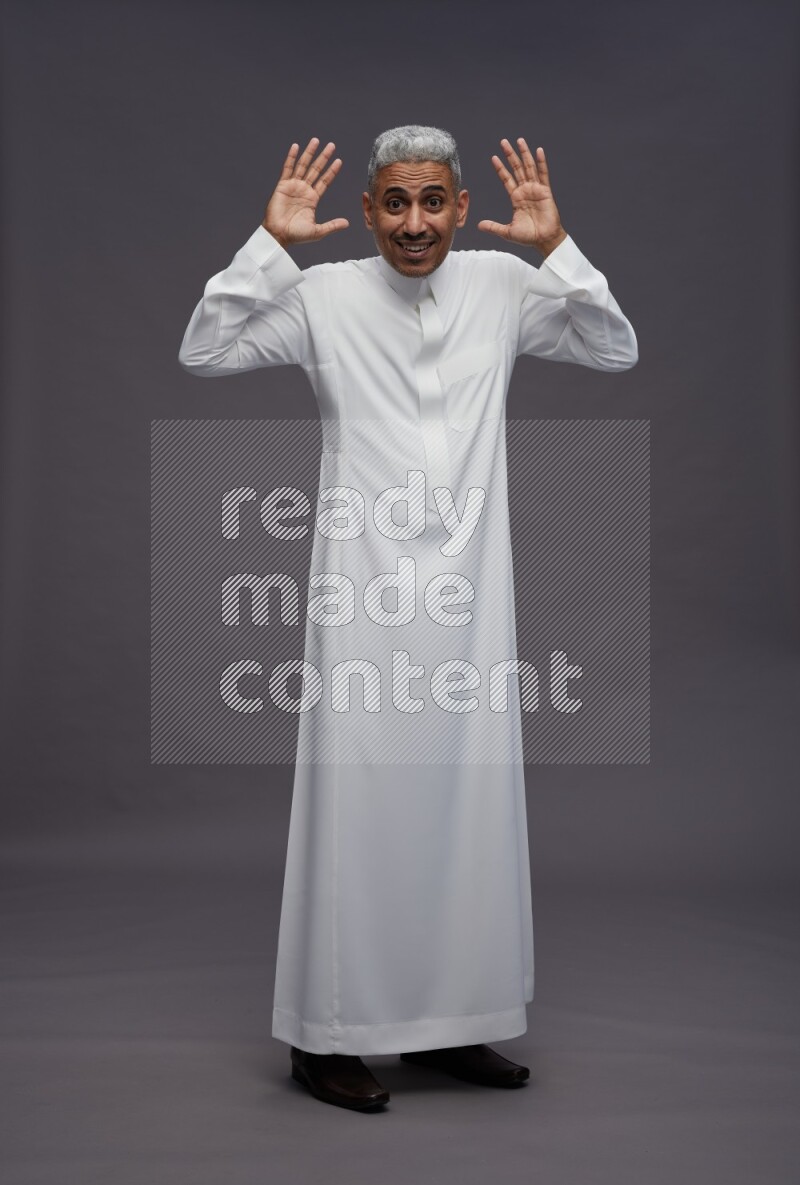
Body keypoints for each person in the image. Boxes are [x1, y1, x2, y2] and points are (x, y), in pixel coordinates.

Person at [178, 125, 638, 1112]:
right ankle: (325, 1038)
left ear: (461, 208)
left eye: (432, 202)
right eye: (395, 202)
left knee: (463, 811)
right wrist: (271, 244)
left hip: (470, 602)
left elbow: (612, 346)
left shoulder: (499, 286)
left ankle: (448, 1027)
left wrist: (552, 248)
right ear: (375, 208)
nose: (414, 224)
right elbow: (204, 350)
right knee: (360, 811)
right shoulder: (327, 295)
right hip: (362, 598)